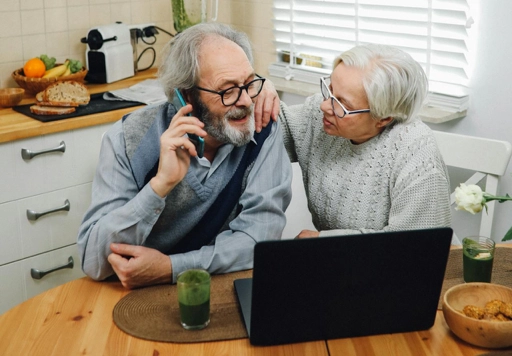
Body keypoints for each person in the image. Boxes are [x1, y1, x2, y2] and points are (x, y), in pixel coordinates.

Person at [77, 23, 292, 289]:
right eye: (228, 91)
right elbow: (93, 261)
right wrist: (159, 186)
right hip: (136, 295)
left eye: (249, 83)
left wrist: (171, 268)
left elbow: (259, 240)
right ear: (186, 96)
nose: (246, 101)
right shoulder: (126, 138)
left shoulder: (262, 129)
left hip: (225, 289)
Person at [267, 44, 451, 239]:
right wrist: (259, 88)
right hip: (337, 261)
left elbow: (414, 245)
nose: (323, 105)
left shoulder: (416, 152)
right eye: (329, 90)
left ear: (384, 118)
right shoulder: (322, 114)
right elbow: (269, 130)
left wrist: (323, 242)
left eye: (341, 104)